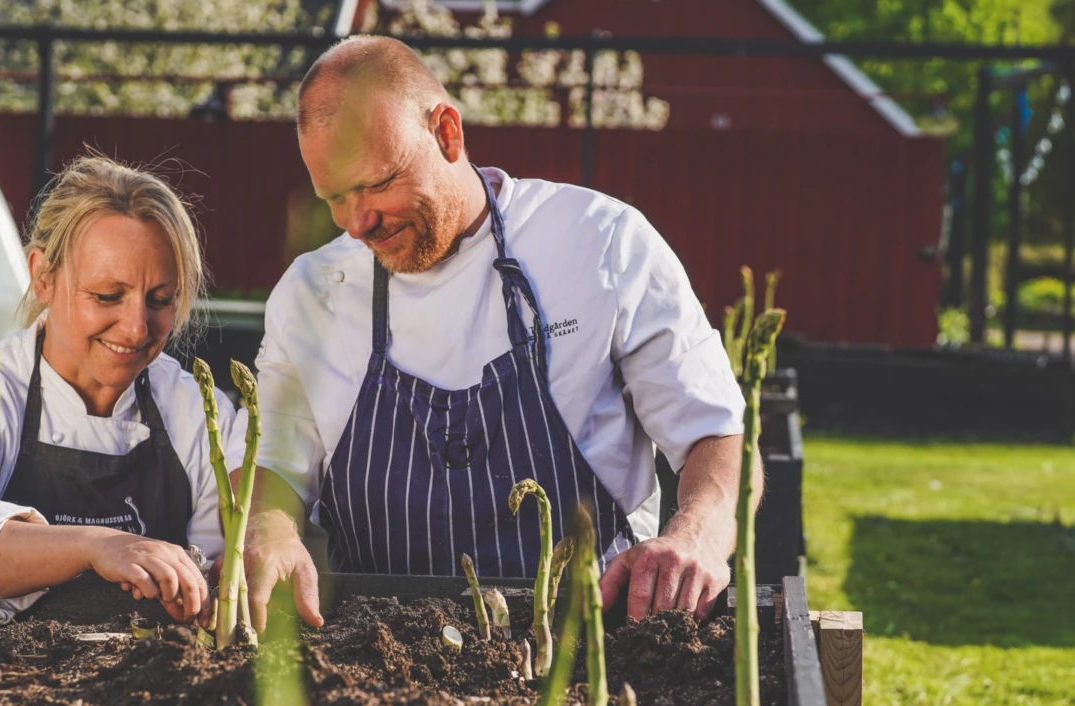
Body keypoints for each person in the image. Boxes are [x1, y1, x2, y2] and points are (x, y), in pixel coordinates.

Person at [243, 36, 760, 630]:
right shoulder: (312, 294)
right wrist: (268, 530)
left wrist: (695, 537)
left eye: (377, 183)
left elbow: (716, 435)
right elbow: (271, 465)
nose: (358, 221)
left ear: (447, 133)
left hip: (593, 648)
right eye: (334, 197)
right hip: (372, 660)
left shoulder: (601, 242)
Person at [0, 156, 244, 624]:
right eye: (107, 296)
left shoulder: (191, 407)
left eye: (160, 300)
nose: (135, 329)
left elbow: (212, 570)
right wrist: (95, 546)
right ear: (43, 277)